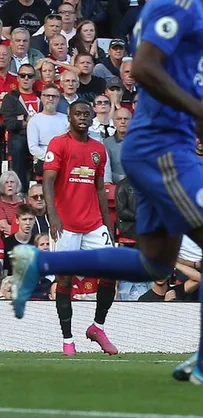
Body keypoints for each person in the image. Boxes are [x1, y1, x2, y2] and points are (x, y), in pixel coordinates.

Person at [9, 0, 203, 387]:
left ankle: (42, 263)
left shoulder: (171, 4)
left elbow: (167, 74)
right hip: (162, 149)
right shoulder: (179, 3)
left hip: (163, 144)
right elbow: (143, 68)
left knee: (155, 264)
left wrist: (200, 119)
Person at [43, 101, 116, 357]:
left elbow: (99, 188)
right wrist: (53, 217)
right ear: (70, 117)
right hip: (66, 225)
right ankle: (68, 340)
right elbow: (48, 182)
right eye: (78, 114)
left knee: (111, 272)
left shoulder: (98, 149)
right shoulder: (58, 144)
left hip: (94, 223)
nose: (82, 118)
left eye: (87, 114)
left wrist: (108, 224)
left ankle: (97, 327)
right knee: (64, 279)